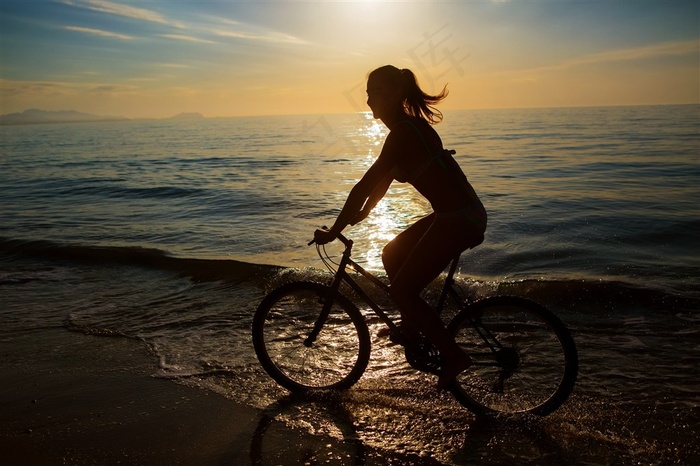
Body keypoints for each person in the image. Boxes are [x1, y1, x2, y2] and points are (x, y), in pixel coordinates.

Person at [313, 65, 487, 390]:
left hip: (459, 218)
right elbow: (386, 178)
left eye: (375, 93)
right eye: (367, 94)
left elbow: (366, 182)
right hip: (457, 214)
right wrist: (366, 212)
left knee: (403, 290)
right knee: (391, 255)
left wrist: (334, 230)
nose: (369, 101)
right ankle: (412, 326)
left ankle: (454, 356)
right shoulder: (408, 129)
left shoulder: (404, 133)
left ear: (395, 94)